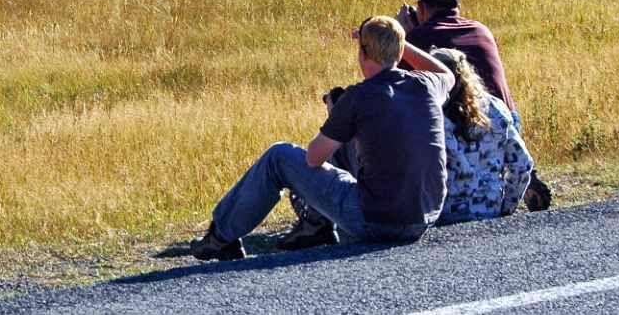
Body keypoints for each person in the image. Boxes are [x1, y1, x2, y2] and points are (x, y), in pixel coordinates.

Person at [190, 16, 454, 261]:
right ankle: (314, 226)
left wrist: (335, 116)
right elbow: (448, 74)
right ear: (399, 51)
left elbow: (314, 158)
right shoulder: (426, 86)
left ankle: (220, 238)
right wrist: (399, 43)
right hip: (425, 216)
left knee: (279, 156)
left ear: (362, 52)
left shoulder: (357, 97)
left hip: (377, 221)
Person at [395, 0, 552, 212]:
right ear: (457, 7)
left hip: (457, 124)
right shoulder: (481, 30)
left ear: (421, 8)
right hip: (502, 119)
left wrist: (405, 39)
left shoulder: (417, 38)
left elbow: (399, 89)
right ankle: (518, 178)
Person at [431, 48, 533, 225]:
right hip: (489, 211)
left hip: (443, 218)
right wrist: (507, 208)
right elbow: (522, 164)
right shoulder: (495, 108)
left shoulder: (430, 116)